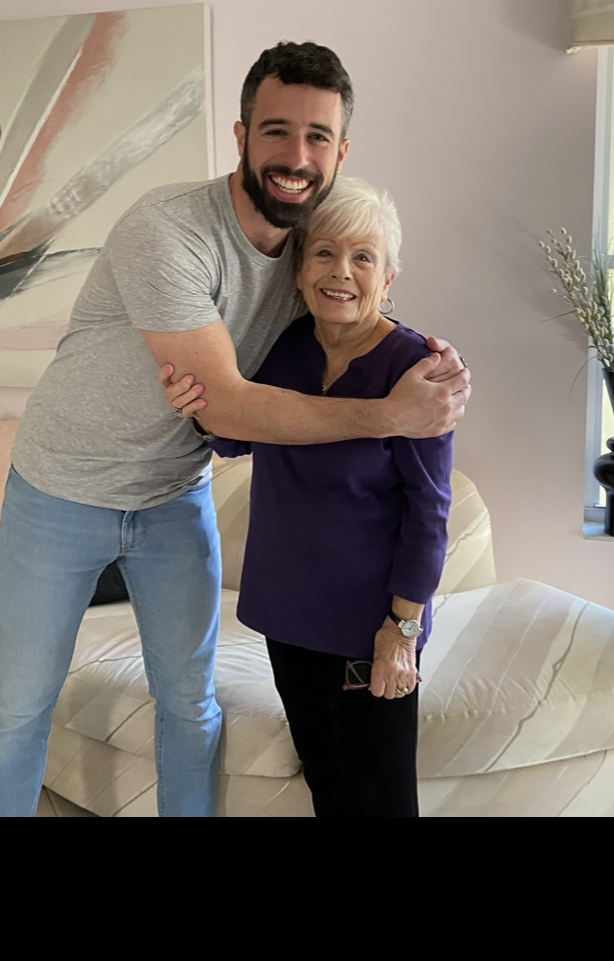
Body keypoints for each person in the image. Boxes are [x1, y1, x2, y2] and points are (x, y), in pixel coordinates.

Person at [0, 43, 469, 817]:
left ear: (340, 153)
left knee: (189, 705)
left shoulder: (308, 255)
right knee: (19, 707)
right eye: (276, 132)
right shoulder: (167, 231)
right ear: (240, 136)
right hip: (61, 491)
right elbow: (235, 414)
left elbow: (358, 309)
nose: (295, 157)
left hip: (174, 496)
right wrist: (387, 415)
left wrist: (426, 360)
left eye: (316, 138)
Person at [164, 180, 452, 817]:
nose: (340, 272)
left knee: (378, 797)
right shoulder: (287, 347)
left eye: (363, 257)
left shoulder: (416, 370)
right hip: (288, 613)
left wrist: (402, 630)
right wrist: (201, 412)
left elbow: (429, 513)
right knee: (325, 777)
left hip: (369, 624)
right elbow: (243, 438)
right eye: (323, 253)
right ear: (299, 269)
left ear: (389, 274)